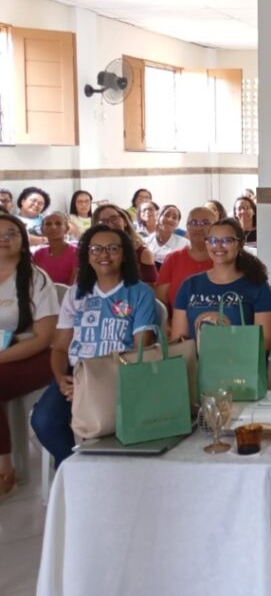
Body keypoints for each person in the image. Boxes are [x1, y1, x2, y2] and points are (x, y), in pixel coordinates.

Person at [31, 224, 158, 468]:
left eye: (112, 248)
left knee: (108, 427)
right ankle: (75, 469)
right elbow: (60, 349)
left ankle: (93, 471)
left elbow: (141, 350)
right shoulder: (76, 294)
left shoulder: (139, 293)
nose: (104, 255)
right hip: (76, 374)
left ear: (124, 255)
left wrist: (92, 386)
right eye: (96, 249)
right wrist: (61, 379)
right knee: (44, 421)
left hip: (119, 374)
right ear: (87, 255)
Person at [0, 215, 59, 499]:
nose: (3, 239)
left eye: (11, 233)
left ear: (23, 241)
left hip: (33, 354)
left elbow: (43, 338)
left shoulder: (36, 278)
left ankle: (5, 468)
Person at [170, 218, 271, 350]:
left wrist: (226, 359)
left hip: (241, 361)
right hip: (196, 361)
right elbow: (179, 341)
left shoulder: (257, 285)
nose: (218, 246)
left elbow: (265, 341)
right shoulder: (189, 285)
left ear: (240, 243)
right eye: (212, 240)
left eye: (227, 240)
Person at [156, 207, 215, 312]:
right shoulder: (173, 259)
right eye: (193, 222)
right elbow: (161, 301)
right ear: (187, 226)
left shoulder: (223, 259)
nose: (199, 227)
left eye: (205, 223)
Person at [92, 204, 157, 284]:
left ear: (125, 221)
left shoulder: (142, 253)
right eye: (103, 221)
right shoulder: (90, 253)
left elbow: (150, 288)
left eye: (114, 218)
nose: (110, 224)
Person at [31, 212, 77, 285]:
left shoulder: (76, 253)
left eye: (58, 224)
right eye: (48, 224)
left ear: (67, 229)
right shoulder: (39, 253)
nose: (53, 227)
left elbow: (73, 286)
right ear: (42, 229)